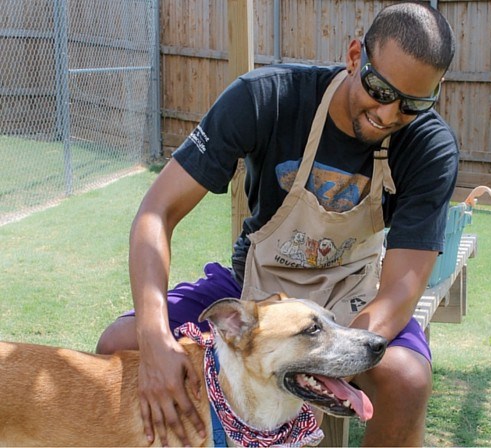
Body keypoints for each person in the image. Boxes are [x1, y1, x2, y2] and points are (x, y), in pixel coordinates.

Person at [96, 2, 458, 446]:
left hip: (351, 300)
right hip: (256, 286)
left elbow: (401, 288)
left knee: (407, 380)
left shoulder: (431, 149)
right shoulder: (265, 97)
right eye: (380, 90)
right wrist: (153, 340)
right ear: (353, 57)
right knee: (120, 343)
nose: (389, 115)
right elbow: (157, 211)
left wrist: (327, 352)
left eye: (413, 104)